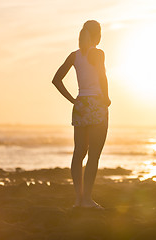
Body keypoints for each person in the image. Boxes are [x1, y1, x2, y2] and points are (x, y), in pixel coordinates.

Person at [52, 20, 111, 209]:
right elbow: (102, 76)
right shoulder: (98, 53)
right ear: (97, 35)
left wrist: (72, 100)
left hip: (80, 104)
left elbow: (56, 80)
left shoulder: (74, 56)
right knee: (93, 155)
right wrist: (107, 98)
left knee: (79, 154)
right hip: (97, 104)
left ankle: (78, 199)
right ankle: (87, 200)